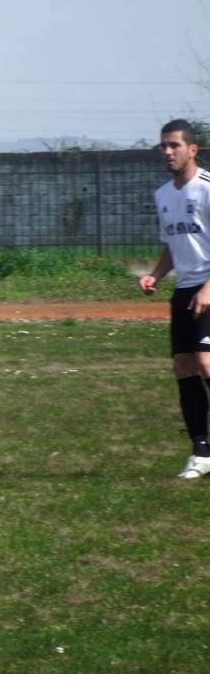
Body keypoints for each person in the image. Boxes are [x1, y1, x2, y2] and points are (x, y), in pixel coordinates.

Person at [139, 119, 210, 479]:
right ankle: (201, 451)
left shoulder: (207, 188)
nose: (167, 152)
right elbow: (172, 244)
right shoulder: (163, 194)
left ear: (192, 149)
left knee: (206, 362)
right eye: (163, 146)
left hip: (209, 287)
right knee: (183, 366)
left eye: (174, 145)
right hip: (184, 289)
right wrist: (156, 274)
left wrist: (208, 289)